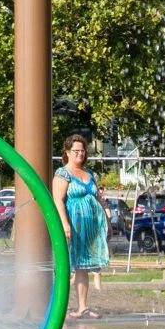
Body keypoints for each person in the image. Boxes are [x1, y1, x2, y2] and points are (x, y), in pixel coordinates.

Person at [52, 135, 110, 319]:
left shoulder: (90, 174)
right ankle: (57, 307)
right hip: (73, 226)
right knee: (68, 265)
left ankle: (82, 307)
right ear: (67, 152)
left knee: (83, 266)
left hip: (90, 227)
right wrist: (65, 223)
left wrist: (107, 218)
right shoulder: (63, 173)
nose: (80, 154)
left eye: (83, 151)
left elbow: (99, 198)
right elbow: (58, 200)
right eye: (76, 150)